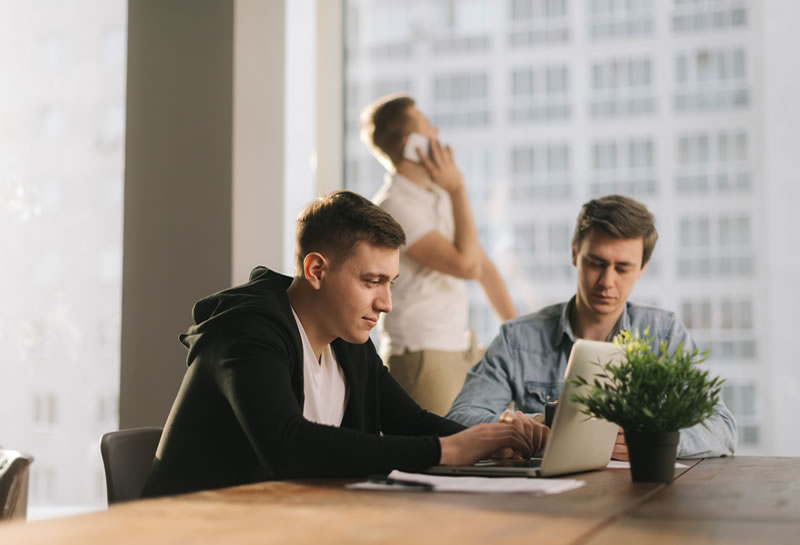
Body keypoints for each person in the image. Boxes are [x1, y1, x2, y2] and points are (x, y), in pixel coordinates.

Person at [141, 191, 539, 498]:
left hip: (285, 523)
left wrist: (494, 443)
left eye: (390, 283)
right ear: (316, 270)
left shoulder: (348, 339)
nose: (386, 303)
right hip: (195, 529)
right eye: (372, 282)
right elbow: (288, 445)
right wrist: (446, 451)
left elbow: (410, 421)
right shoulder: (246, 332)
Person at [447, 195, 738, 459]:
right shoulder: (519, 338)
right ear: (575, 254)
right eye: (596, 263)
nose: (607, 281)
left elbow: (722, 428)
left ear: (643, 268)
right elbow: (458, 418)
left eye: (622, 268)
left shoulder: (665, 333)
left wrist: (654, 440)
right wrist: (524, 425)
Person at [361, 94, 516, 416]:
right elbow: (467, 265)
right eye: (427, 126)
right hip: (424, 354)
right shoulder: (394, 206)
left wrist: (517, 336)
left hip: (458, 346)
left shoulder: (438, 196)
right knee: (447, 456)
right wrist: (458, 189)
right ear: (411, 142)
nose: (436, 133)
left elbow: (483, 266)